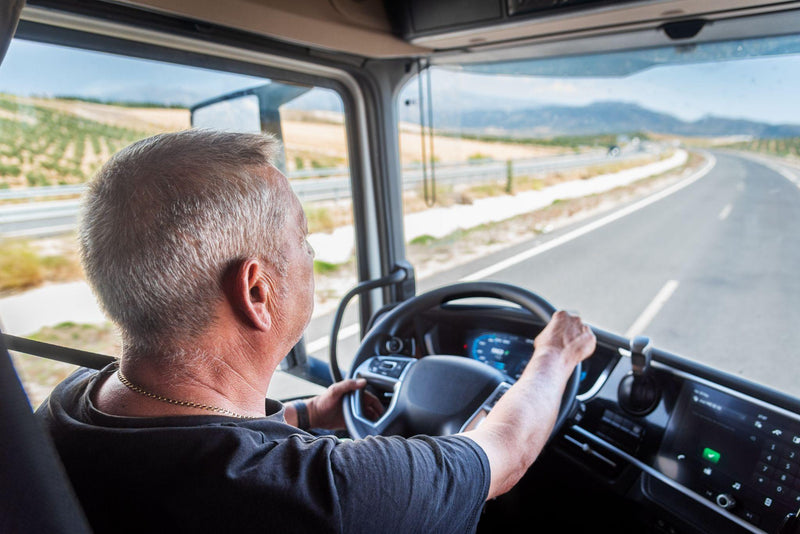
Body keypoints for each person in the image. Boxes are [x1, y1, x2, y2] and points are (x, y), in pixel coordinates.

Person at [36, 129, 596, 533]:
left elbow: (198, 440)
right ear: (258, 293)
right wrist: (554, 353)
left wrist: (306, 414)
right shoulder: (321, 496)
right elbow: (508, 453)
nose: (311, 255)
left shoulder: (68, 408)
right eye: (302, 241)